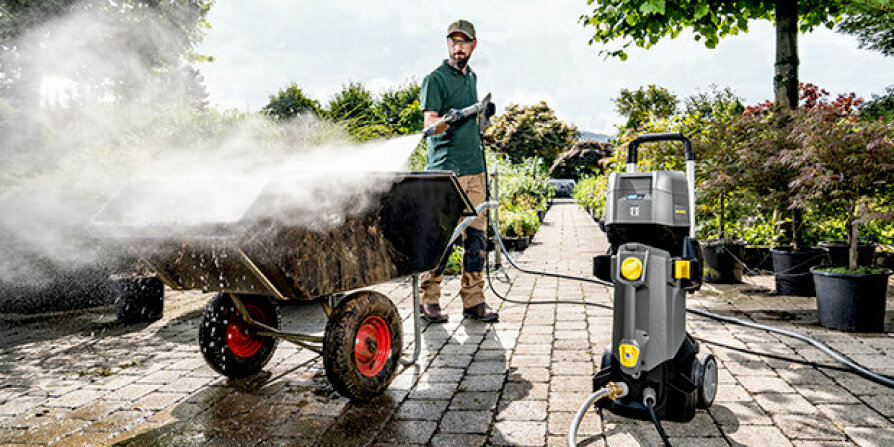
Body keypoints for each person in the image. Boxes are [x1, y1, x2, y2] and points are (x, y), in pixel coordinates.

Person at [418, 18, 498, 323]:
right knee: (442, 237)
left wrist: (483, 115)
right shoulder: (435, 79)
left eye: (463, 42)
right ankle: (429, 299)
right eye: (453, 41)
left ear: (473, 45)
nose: (457, 47)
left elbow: (475, 127)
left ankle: (474, 301)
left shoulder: (471, 79)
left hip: (474, 169)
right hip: (445, 173)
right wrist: (449, 119)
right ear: (447, 44)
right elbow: (430, 127)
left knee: (476, 238)